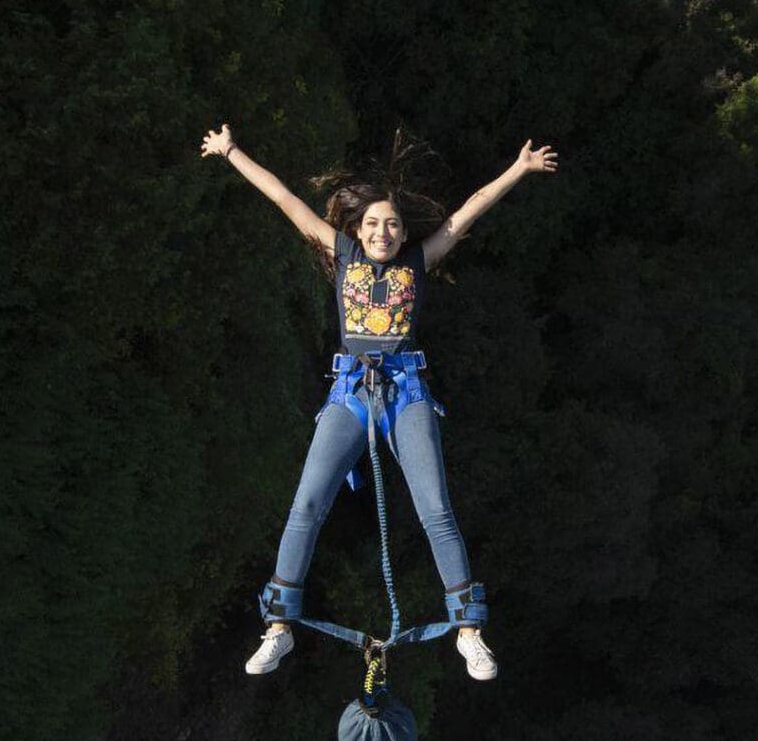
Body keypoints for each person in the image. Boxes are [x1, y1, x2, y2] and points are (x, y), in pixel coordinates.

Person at [200, 124, 557, 679]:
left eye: (391, 223)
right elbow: (283, 198)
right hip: (349, 392)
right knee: (307, 505)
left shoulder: (418, 261)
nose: (383, 231)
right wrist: (230, 152)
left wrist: (519, 168)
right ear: (357, 230)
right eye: (372, 223)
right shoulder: (339, 253)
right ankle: (277, 628)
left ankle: (469, 631)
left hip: (405, 391)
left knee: (435, 508)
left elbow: (468, 213)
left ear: (402, 231)